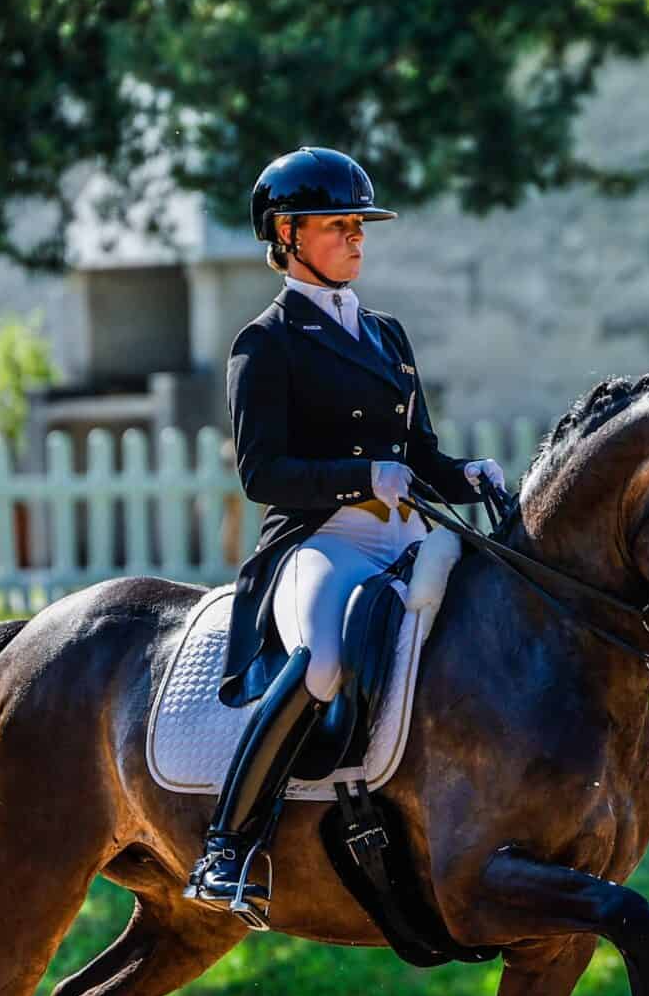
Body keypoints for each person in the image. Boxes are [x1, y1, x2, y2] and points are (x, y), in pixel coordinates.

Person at [183, 146, 505, 926]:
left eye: (361, 224)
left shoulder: (388, 336)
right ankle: (230, 845)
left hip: (404, 536)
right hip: (320, 542)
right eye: (339, 225)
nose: (358, 238)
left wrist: (468, 474)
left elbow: (419, 455)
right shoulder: (265, 344)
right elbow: (264, 474)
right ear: (288, 235)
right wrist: (361, 477)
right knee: (324, 659)